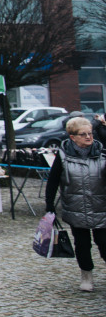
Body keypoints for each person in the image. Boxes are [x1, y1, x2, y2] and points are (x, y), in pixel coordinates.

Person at [44, 116, 106, 292]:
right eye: (83, 134)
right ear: (73, 137)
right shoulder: (63, 156)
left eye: (90, 133)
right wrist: (50, 205)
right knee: (82, 243)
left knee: (104, 242)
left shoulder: (102, 154)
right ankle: (86, 275)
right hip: (75, 207)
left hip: (101, 206)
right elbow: (53, 181)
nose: (88, 137)